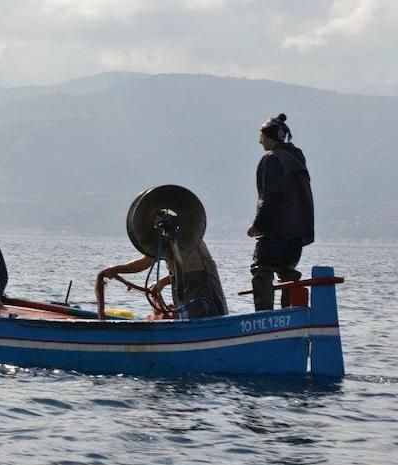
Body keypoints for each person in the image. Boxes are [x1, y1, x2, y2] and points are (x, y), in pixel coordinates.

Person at [248, 113, 314, 310]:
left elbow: (270, 196)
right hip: (297, 234)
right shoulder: (296, 160)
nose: (260, 141)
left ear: (269, 137)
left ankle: (264, 320)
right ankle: (291, 316)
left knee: (262, 271)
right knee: (288, 272)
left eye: (261, 137)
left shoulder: (271, 159)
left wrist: (257, 225)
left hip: (275, 232)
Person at [95, 239, 227, 320]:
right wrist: (164, 281)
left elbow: (144, 263)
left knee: (203, 319)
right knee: (190, 320)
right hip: (186, 282)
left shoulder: (182, 234)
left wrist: (114, 269)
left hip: (201, 284)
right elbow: (183, 267)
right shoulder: (182, 233)